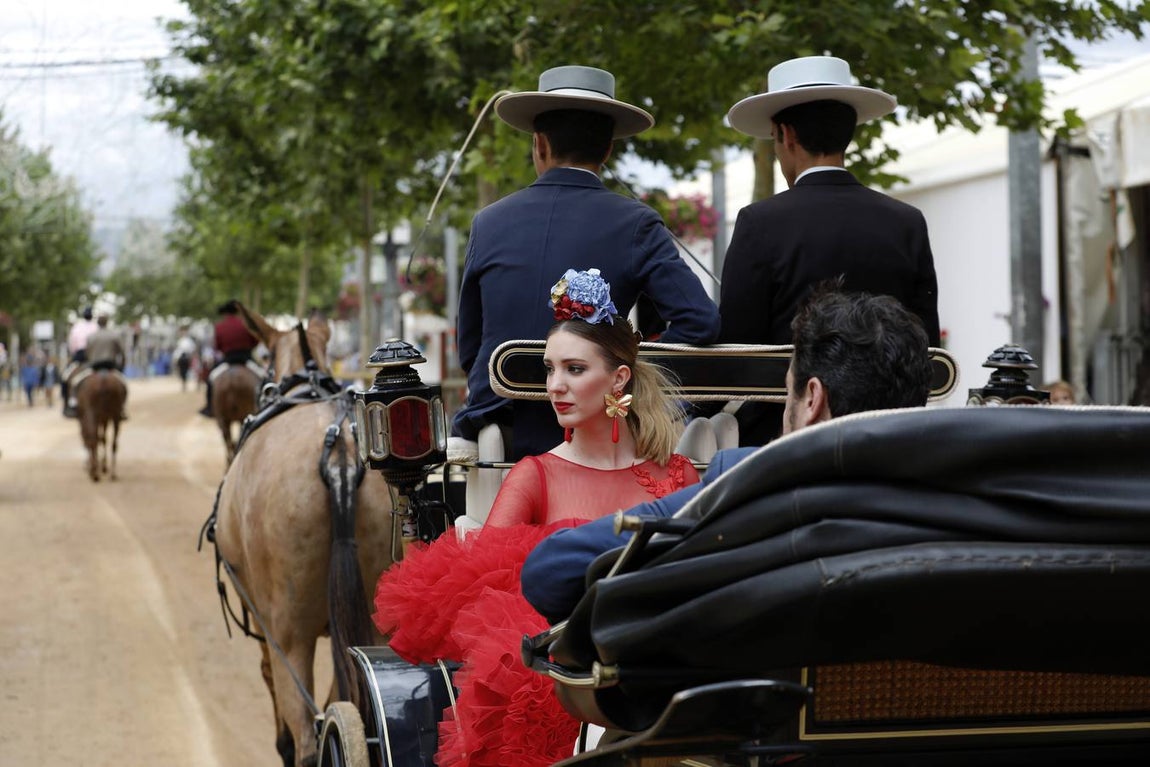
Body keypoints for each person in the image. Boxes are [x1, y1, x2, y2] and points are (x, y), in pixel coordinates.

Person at [373, 268, 701, 767]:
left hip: (659, 659)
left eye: (573, 370)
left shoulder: (676, 475)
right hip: (563, 668)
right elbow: (483, 586)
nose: (555, 386)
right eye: (550, 369)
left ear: (618, 379)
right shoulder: (536, 474)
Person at [522, 285, 933, 624]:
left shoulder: (750, 483)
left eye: (786, 392)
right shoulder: (954, 499)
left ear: (811, 400)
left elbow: (550, 571)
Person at [455, 64, 720, 461]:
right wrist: (621, 370)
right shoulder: (636, 223)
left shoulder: (488, 222)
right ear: (608, 149)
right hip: (602, 431)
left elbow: (470, 347)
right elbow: (700, 323)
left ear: (539, 144)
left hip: (502, 429)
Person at [716, 55, 940, 446]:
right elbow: (925, 341)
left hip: (780, 437)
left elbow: (738, 348)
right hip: (885, 432)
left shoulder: (759, 222)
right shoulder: (906, 221)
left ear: (785, 135)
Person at [200, 300, 260, 417]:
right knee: (264, 377)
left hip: (228, 360)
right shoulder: (246, 324)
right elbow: (255, 341)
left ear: (225, 313)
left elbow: (217, 346)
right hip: (246, 359)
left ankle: (209, 407)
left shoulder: (219, 327)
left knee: (211, 380)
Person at [61, 307, 99, 415]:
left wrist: (74, 353)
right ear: (92, 316)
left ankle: (67, 404)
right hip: (94, 356)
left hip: (80, 356)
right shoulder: (96, 327)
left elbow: (72, 344)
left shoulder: (77, 327)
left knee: (65, 377)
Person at [173, 326, 197, 391]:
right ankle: (183, 383)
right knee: (182, 371)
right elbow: (178, 351)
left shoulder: (189, 341)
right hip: (181, 358)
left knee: (186, 371)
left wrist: (192, 358)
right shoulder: (180, 341)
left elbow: (192, 350)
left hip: (187, 357)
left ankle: (185, 383)